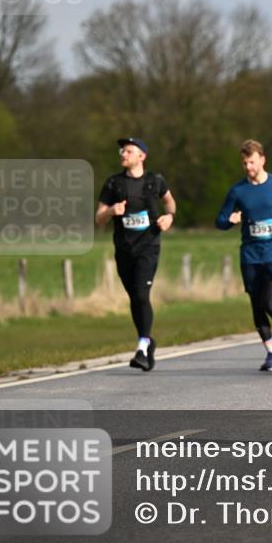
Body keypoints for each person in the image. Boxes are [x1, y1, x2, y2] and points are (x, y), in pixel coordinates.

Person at [96, 138, 176, 372]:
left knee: (142, 293)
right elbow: (98, 217)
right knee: (135, 298)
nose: (123, 153)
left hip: (148, 247)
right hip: (124, 249)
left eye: (129, 150)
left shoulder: (155, 181)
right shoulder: (114, 183)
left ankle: (141, 346)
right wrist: (111, 211)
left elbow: (170, 204)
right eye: (122, 150)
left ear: (141, 156)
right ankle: (147, 344)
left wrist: (169, 217)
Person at [215, 139, 272, 371]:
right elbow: (219, 221)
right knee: (256, 305)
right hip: (250, 256)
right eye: (244, 163)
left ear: (262, 159)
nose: (248, 167)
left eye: (251, 162)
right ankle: (271, 354)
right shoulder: (238, 191)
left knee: (268, 301)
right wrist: (229, 221)